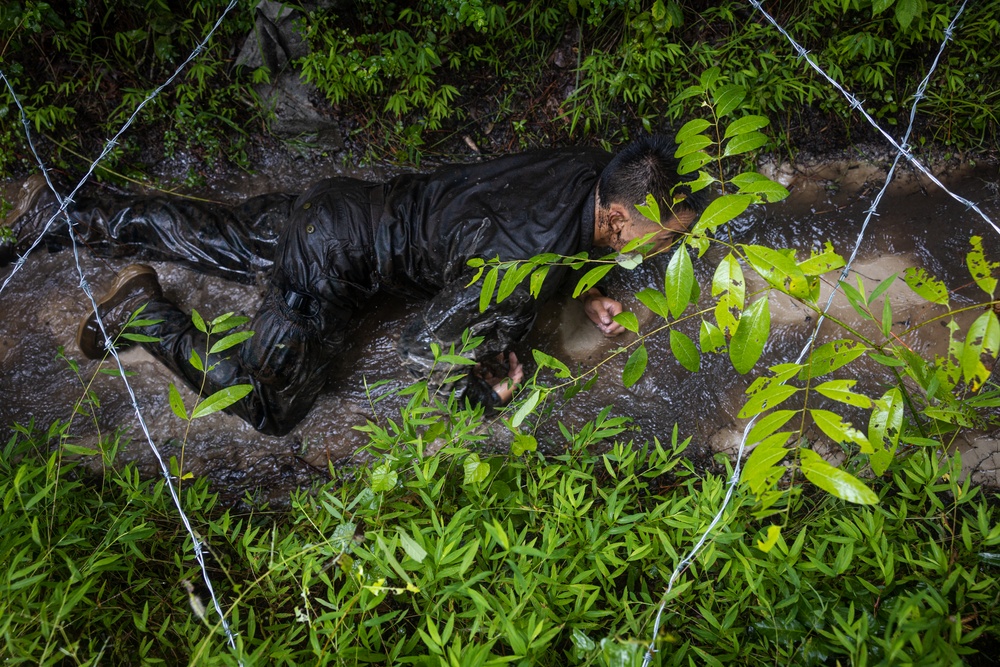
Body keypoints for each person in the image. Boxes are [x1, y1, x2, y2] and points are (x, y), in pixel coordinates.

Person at [1, 136, 701, 436]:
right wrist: (483, 391)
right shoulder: (522, 274)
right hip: (334, 268)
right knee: (274, 410)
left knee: (216, 238)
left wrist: (577, 285)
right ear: (617, 218)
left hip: (341, 206)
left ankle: (61, 212)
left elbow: (538, 230)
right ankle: (146, 316)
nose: (673, 243)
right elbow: (422, 342)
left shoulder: (588, 168)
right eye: (667, 233)